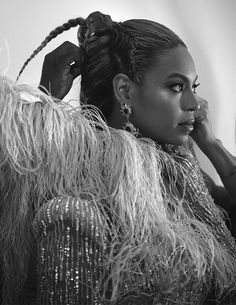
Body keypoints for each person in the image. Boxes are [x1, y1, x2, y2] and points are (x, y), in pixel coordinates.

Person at [1, 11, 236, 305]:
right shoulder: (77, 209)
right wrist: (46, 102)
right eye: (177, 87)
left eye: (194, 87)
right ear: (124, 90)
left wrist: (213, 145)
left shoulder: (181, 173)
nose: (195, 104)